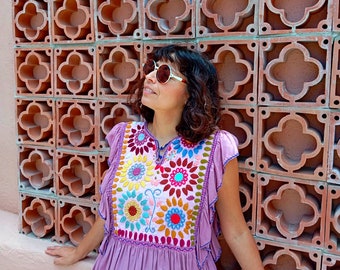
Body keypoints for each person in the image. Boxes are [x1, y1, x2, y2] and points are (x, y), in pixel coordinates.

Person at [45, 45, 264, 270]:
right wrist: (78, 252)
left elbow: (236, 232)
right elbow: (110, 214)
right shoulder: (124, 137)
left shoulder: (216, 148)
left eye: (163, 74)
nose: (149, 77)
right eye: (151, 69)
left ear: (191, 92)